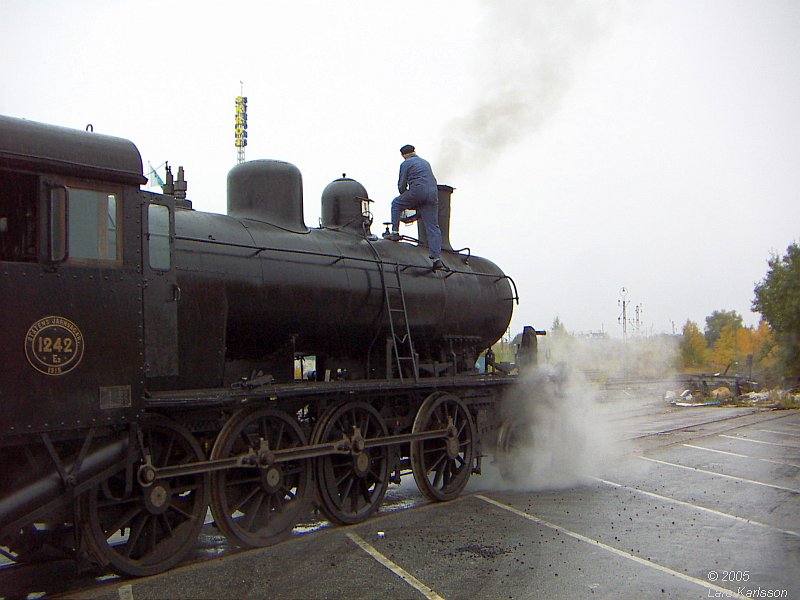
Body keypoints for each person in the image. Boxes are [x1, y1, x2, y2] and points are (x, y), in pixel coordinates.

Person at [384, 144, 444, 270]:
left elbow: (401, 185)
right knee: (433, 226)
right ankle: (436, 258)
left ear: (403, 155)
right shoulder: (425, 162)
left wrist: (405, 197)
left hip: (418, 191)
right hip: (433, 195)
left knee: (396, 203)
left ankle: (395, 232)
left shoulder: (406, 163)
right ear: (414, 151)